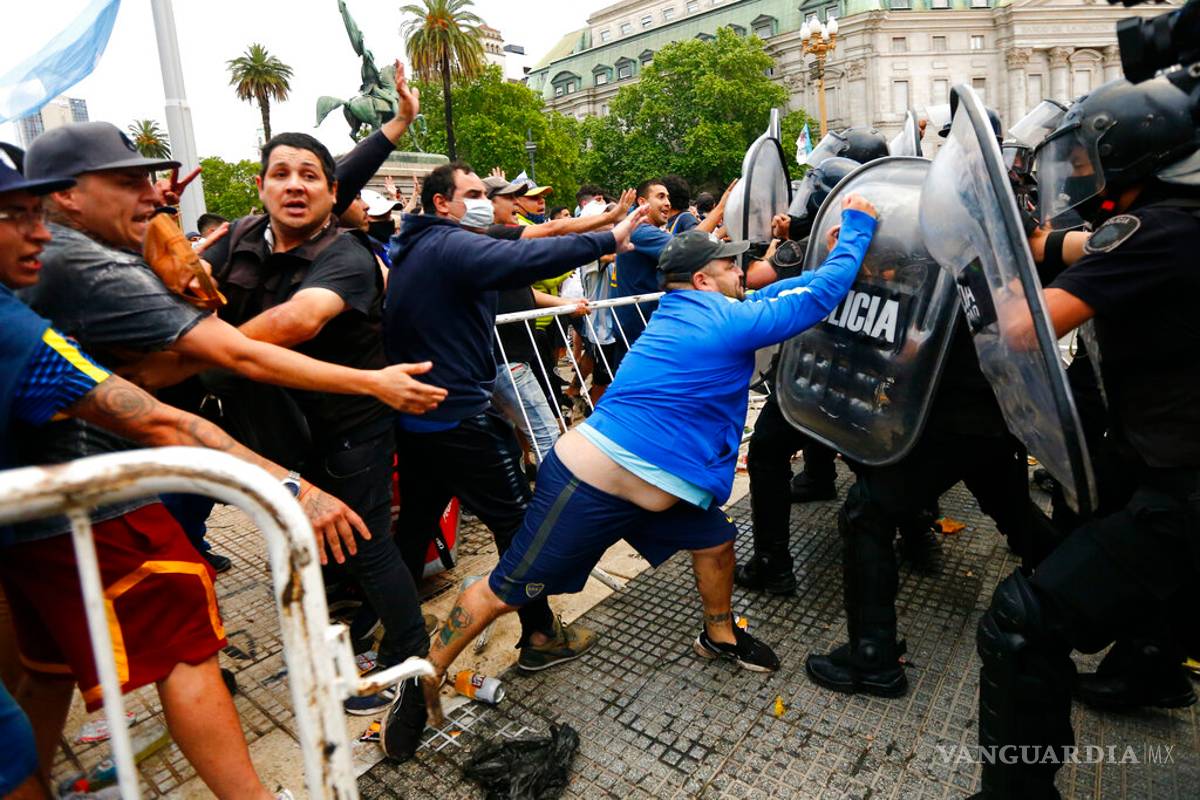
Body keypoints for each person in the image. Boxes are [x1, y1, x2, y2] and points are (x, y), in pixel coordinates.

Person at [411, 197, 878, 742]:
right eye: (730, 265)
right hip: (589, 484)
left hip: (651, 488)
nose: (740, 271)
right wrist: (858, 230)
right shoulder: (721, 320)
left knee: (717, 542)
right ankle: (422, 678)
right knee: (502, 590)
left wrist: (818, 262)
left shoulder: (695, 308)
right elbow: (816, 298)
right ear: (704, 279)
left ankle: (719, 635)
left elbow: (774, 294)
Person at [0, 145, 362, 800]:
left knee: (43, 673)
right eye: (15, 215)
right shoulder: (45, 297)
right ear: (71, 194)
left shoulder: (50, 275)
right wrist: (293, 484)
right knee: (187, 646)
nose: (153, 194)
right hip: (90, 502)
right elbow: (187, 394)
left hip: (34, 521)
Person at [973, 77, 1200, 798]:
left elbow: (1024, 327)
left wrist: (981, 269)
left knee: (1022, 620)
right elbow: (1074, 242)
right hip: (1167, 458)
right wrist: (1034, 239)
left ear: (1126, 162)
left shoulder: (1156, 232)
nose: (1077, 176)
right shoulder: (1178, 219)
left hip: (1185, 485)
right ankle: (1151, 671)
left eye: (1085, 163)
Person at [381, 161, 646, 757]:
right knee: (521, 526)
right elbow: (522, 262)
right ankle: (540, 635)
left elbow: (525, 235)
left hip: (424, 418)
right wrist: (607, 241)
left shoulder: (427, 239)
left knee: (416, 524)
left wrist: (598, 220)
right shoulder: (450, 246)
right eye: (475, 195)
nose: (488, 203)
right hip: (459, 421)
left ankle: (393, 638)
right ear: (442, 202)